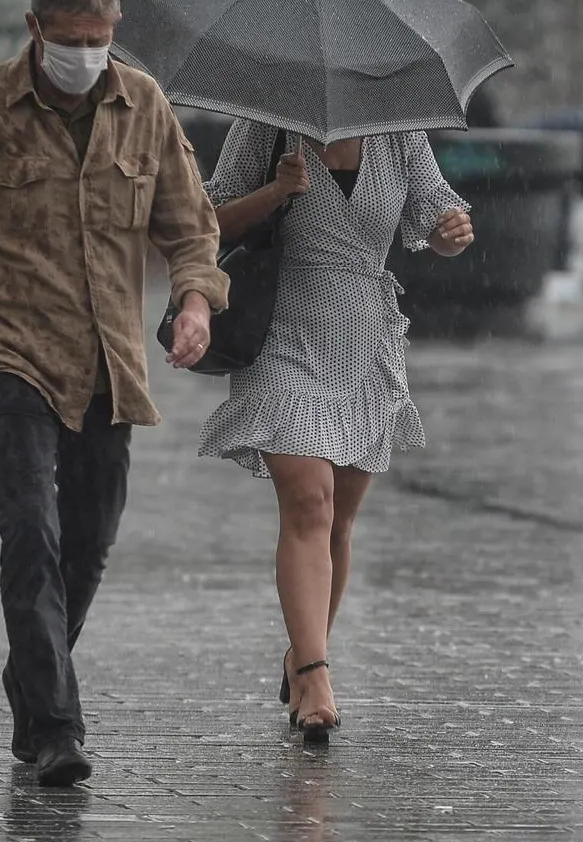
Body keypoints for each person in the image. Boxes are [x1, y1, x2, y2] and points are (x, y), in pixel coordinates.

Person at [0, 0, 228, 788]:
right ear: (34, 29)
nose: (85, 55)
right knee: (29, 528)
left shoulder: (143, 106)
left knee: (90, 540)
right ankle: (55, 727)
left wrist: (195, 304)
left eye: (99, 39)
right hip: (8, 350)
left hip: (108, 357)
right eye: (70, 40)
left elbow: (190, 228)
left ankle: (32, 677)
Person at [199, 119, 475, 743]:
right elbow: (206, 222)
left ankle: (303, 654)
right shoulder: (267, 123)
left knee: (338, 523)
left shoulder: (397, 129)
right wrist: (275, 193)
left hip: (364, 340)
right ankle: (316, 674)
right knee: (308, 503)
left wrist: (452, 233)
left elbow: (437, 216)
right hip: (282, 334)